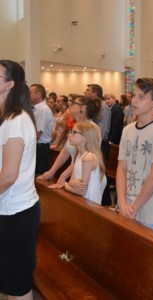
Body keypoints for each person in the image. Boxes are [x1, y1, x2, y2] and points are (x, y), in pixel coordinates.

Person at [0, 60, 40, 300]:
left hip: (17, 212)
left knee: (17, 283)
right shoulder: (7, 118)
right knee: (6, 278)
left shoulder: (16, 120)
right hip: (7, 209)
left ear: (9, 85)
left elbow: (8, 175)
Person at [116, 78, 153, 234]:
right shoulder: (127, 130)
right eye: (134, 95)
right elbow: (121, 169)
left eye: (141, 97)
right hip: (125, 207)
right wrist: (122, 203)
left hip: (150, 212)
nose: (134, 100)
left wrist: (134, 207)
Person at [37, 96, 101, 189]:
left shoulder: (92, 128)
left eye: (74, 103)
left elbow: (81, 157)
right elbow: (65, 151)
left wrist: (63, 176)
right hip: (76, 172)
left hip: (86, 175)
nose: (69, 104)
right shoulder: (76, 126)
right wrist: (51, 172)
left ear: (82, 108)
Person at [65, 122, 107, 205]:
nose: (69, 135)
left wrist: (66, 185)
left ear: (85, 137)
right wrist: (70, 183)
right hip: (81, 202)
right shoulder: (79, 156)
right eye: (70, 131)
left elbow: (82, 191)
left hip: (89, 204)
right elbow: (72, 180)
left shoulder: (88, 158)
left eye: (74, 132)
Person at [30, 83, 54, 174]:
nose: (28, 95)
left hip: (41, 148)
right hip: (38, 147)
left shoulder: (43, 109)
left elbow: (37, 134)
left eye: (30, 93)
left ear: (38, 94)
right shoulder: (36, 109)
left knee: (39, 175)